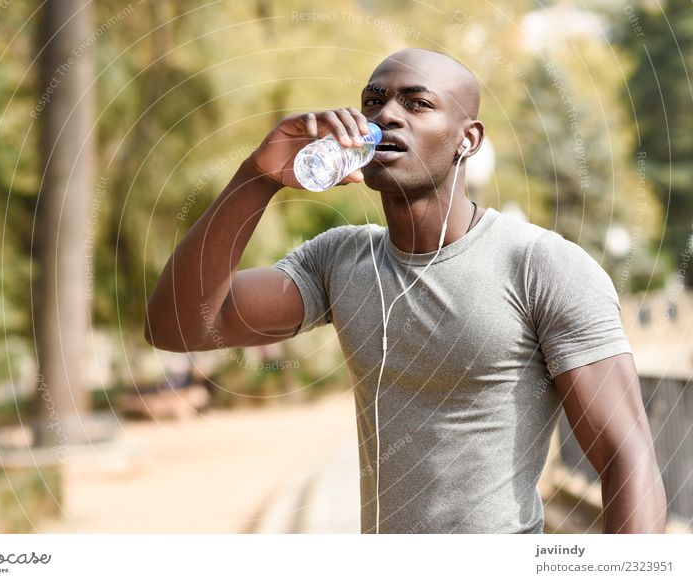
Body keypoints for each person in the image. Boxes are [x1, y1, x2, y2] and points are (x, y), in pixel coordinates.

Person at [144, 48, 666, 534]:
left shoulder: (541, 266)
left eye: (417, 103)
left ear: (469, 139)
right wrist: (257, 177)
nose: (386, 115)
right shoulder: (338, 260)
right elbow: (176, 325)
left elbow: (628, 457)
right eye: (374, 100)